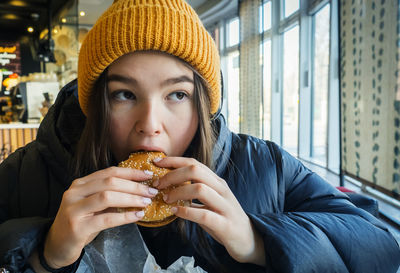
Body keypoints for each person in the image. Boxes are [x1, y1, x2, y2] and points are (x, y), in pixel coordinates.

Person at [1, 0, 400, 272]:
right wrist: (45, 255)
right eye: (124, 94)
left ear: (204, 104)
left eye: (177, 94)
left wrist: (258, 240)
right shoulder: (27, 172)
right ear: (94, 104)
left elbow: (379, 244)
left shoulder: (264, 166)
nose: (151, 124)